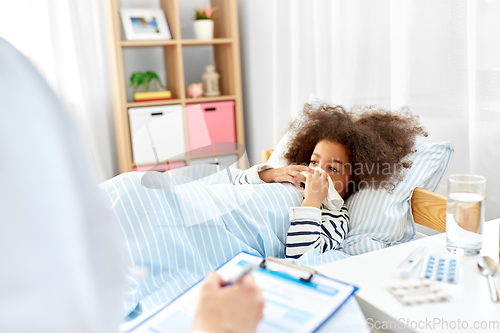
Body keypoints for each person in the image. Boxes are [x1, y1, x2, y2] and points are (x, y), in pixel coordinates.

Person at [0, 37, 264, 333]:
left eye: (329, 167)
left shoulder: (12, 76)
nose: (315, 171)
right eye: (315, 161)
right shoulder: (11, 81)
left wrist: (277, 183)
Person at [233, 104, 427, 258]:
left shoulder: (336, 216)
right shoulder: (288, 178)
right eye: (314, 161)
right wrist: (272, 174)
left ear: (353, 180)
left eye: (333, 168)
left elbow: (301, 255)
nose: (317, 171)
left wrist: (313, 202)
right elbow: (235, 185)